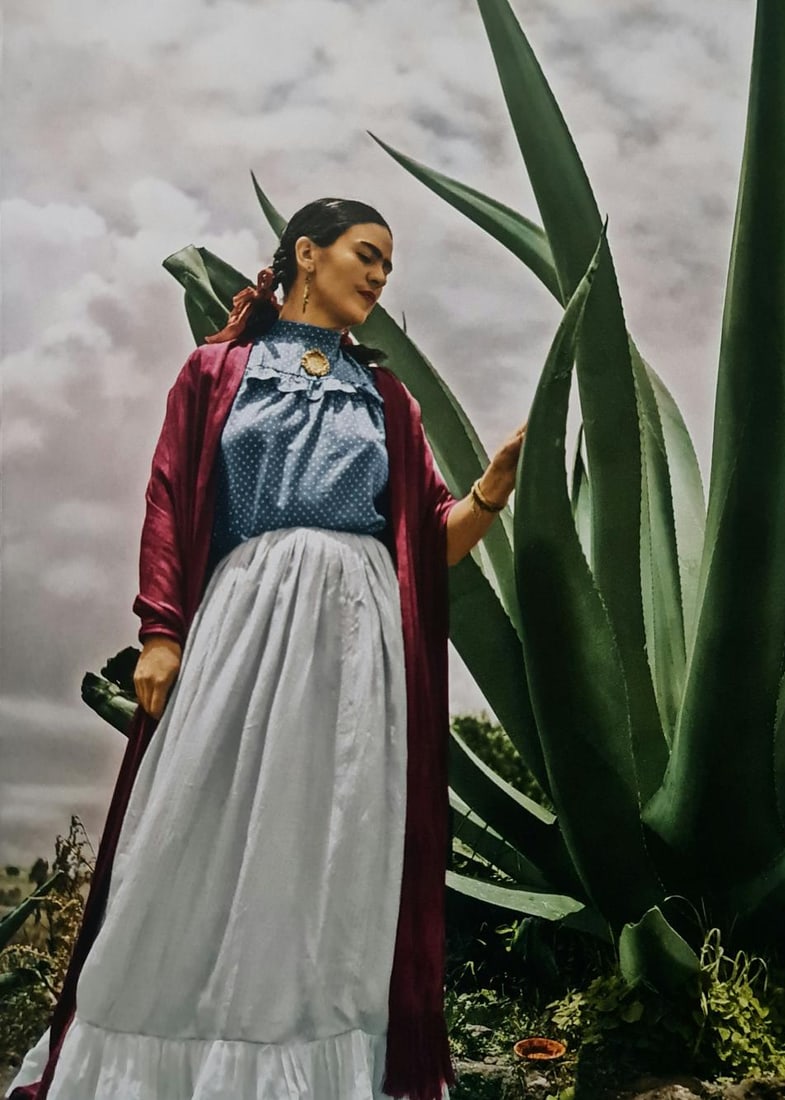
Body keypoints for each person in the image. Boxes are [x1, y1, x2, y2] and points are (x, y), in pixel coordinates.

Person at [8, 197, 525, 1100]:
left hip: (360, 645)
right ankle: (160, 1062)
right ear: (306, 254)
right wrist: (161, 631)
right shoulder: (217, 371)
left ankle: (315, 1063)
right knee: (193, 828)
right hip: (246, 624)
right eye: (366, 255)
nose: (378, 276)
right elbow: (169, 498)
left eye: (388, 267)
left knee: (334, 841)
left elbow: (425, 542)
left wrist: (485, 494)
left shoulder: (389, 398)